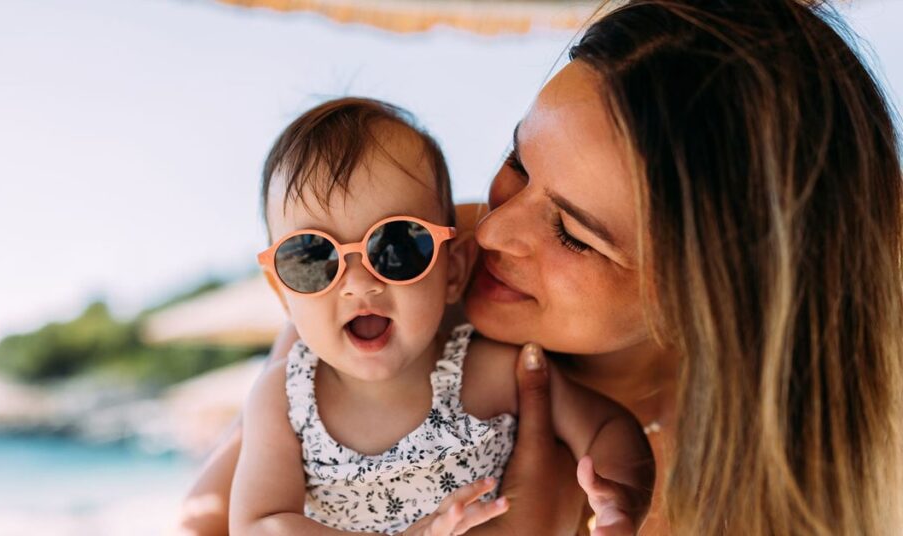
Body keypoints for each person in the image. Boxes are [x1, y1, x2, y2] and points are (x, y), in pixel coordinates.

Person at [180, 1, 903, 534]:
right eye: (517, 162)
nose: (493, 230)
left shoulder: (771, 486)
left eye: (574, 235)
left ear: (711, 298)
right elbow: (210, 518)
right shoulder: (411, 256)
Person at [228, 97, 654, 535]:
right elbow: (259, 524)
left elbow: (608, 427)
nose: (358, 283)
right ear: (281, 292)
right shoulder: (286, 399)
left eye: (397, 246)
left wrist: (620, 502)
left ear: (453, 271)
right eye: (312, 257)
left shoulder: (490, 375)